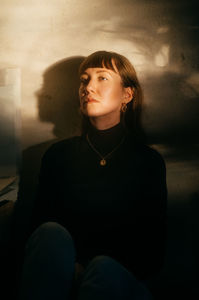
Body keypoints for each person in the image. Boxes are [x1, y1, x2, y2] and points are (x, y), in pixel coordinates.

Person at [17, 50, 167, 300]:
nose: (88, 87)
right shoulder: (58, 156)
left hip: (119, 283)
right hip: (61, 279)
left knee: (104, 270)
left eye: (102, 78)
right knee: (50, 233)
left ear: (127, 94)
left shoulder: (148, 162)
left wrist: (92, 270)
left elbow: (152, 255)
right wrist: (70, 269)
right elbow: (36, 234)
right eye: (84, 80)